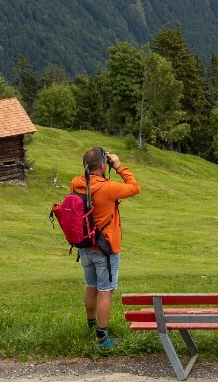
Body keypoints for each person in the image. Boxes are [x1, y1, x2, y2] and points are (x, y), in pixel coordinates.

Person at [70, 146, 141, 349]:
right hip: (105, 248)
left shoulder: (76, 182)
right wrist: (118, 166)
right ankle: (102, 338)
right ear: (103, 165)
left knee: (91, 285)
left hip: (84, 245)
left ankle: (90, 325)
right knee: (105, 290)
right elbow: (135, 187)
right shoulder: (109, 189)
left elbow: (93, 188)